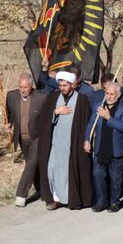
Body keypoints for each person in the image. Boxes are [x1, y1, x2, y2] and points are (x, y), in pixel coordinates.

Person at [37, 71, 92, 210]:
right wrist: (56, 112)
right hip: (55, 143)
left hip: (72, 144)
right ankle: (56, 199)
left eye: (65, 85)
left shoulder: (82, 100)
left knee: (68, 172)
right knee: (52, 169)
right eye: (60, 85)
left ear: (72, 85)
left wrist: (86, 140)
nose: (62, 88)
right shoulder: (53, 97)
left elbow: (87, 122)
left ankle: (68, 198)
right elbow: (43, 119)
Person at [84, 82, 123, 213]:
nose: (109, 97)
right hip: (100, 147)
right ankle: (101, 201)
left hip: (116, 149)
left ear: (118, 95)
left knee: (115, 178)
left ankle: (114, 202)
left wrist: (108, 117)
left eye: (112, 94)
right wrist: (87, 139)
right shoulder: (99, 106)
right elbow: (91, 124)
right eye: (107, 93)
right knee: (97, 175)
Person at [5, 73, 47, 207]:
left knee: (30, 164)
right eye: (20, 87)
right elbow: (8, 113)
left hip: (37, 137)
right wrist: (8, 124)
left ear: (31, 86)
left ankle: (21, 195)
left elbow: (47, 116)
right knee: (32, 164)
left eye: (25, 87)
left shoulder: (41, 97)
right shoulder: (11, 96)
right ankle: (41, 189)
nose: (22, 90)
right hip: (22, 138)